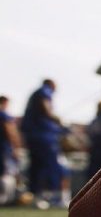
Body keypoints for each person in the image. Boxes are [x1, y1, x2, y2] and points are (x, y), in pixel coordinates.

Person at [21, 79, 67, 208]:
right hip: (44, 136)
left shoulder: (35, 93)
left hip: (33, 135)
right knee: (51, 166)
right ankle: (55, 197)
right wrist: (57, 119)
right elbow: (46, 109)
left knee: (36, 167)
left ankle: (36, 196)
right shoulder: (44, 91)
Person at [0, 96, 22, 204]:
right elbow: (10, 132)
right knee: (7, 173)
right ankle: (6, 198)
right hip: (4, 148)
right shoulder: (4, 115)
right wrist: (16, 147)